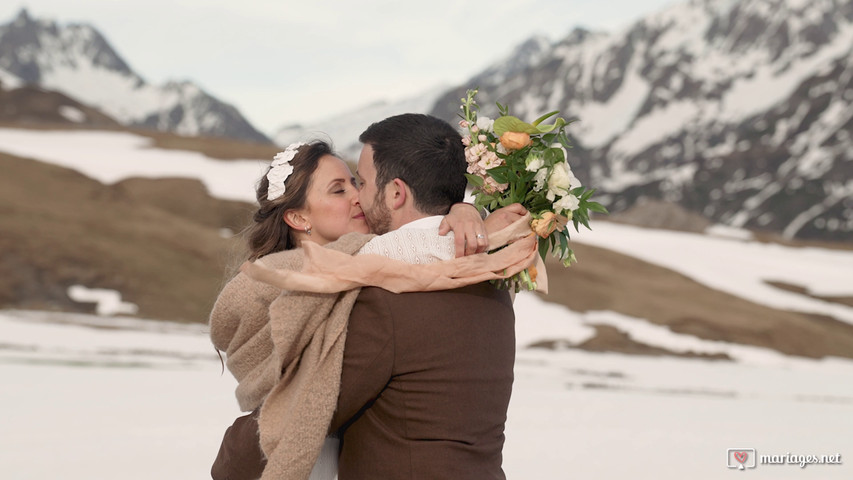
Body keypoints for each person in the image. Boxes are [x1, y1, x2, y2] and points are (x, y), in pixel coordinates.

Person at [211, 116, 528, 479]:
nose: (357, 197)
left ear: (396, 193)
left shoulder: (384, 299)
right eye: (340, 188)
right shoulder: (491, 281)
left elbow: (304, 409)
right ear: (297, 217)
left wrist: (228, 459)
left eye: (359, 182)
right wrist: (467, 212)